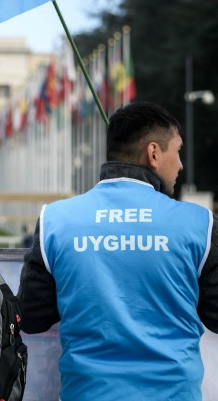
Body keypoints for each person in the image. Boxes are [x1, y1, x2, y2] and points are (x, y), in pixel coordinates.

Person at [17, 101, 218, 400]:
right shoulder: (200, 224)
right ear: (153, 153)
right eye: (177, 151)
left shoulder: (55, 221)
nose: (180, 164)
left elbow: (30, 317)